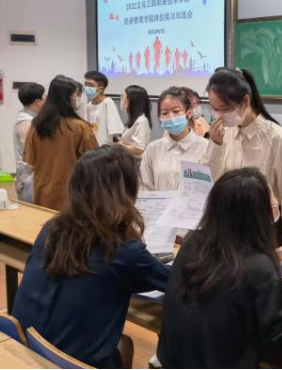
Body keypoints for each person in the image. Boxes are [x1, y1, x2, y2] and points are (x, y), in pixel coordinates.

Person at [158, 168, 282, 369]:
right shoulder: (260, 270)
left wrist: (276, 254)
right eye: (272, 204)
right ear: (258, 216)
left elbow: (229, 266)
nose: (275, 206)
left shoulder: (192, 242)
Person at [13, 145, 170, 369]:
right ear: (126, 191)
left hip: (28, 352)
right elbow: (176, 281)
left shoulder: (52, 228)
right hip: (72, 363)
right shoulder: (123, 249)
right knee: (123, 345)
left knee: (121, 343)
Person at [206, 68, 282, 245]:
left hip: (263, 231)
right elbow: (212, 183)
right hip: (228, 227)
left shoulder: (276, 137)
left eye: (225, 109)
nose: (219, 116)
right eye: (214, 109)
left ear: (246, 101)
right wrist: (215, 145)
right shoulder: (224, 133)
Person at [24, 75, 98, 210]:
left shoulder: (36, 126)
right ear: (66, 98)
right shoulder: (80, 127)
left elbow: (30, 161)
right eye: (76, 95)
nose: (78, 99)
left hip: (42, 192)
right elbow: (94, 163)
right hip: (71, 194)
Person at [140, 87, 209, 191]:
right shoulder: (152, 149)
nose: (170, 116)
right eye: (164, 113)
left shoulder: (204, 146)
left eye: (176, 111)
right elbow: (145, 187)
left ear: (189, 113)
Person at [13, 83, 45, 203]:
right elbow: (32, 150)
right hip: (29, 173)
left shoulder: (32, 118)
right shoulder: (26, 122)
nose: (46, 99)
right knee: (33, 206)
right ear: (37, 101)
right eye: (44, 96)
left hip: (33, 172)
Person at [84, 71, 125, 146]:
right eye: (85, 84)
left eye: (91, 85)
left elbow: (115, 130)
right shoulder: (88, 106)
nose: (87, 88)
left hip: (105, 147)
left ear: (101, 89)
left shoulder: (108, 103)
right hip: (92, 146)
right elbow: (86, 129)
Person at [119, 85, 152, 157]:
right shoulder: (134, 119)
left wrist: (120, 145)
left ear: (132, 100)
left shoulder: (140, 121)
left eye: (123, 97)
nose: (121, 100)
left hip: (136, 162)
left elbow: (138, 150)